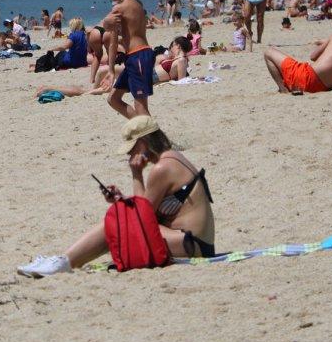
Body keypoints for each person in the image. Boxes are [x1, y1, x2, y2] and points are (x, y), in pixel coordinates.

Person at [17, 116, 216, 277]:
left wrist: (136, 175)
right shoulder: (173, 157)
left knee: (115, 225)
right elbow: (146, 210)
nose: (130, 155)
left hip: (191, 246)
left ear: (144, 143)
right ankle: (62, 261)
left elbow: (143, 216)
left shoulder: (162, 168)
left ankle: (63, 262)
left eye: (133, 148)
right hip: (194, 242)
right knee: (122, 218)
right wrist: (122, 201)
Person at [104, 0, 153, 119]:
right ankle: (145, 132)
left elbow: (109, 33)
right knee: (113, 98)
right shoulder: (137, 4)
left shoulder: (119, 8)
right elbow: (114, 38)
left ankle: (157, 141)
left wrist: (111, 70)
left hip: (138, 56)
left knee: (140, 105)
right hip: (137, 56)